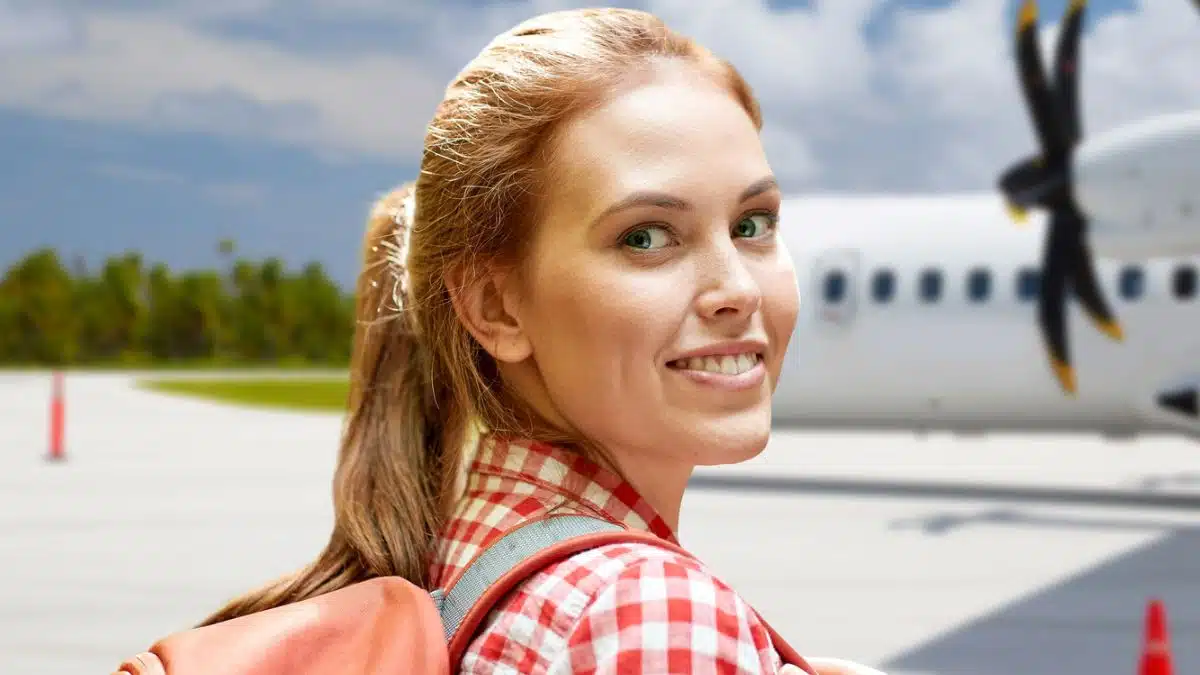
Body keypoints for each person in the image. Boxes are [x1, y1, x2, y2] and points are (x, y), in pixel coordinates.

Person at [181, 7, 879, 674]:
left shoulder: (465, 555)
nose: (739, 289)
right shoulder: (651, 614)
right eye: (645, 236)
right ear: (495, 307)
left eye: (752, 223)